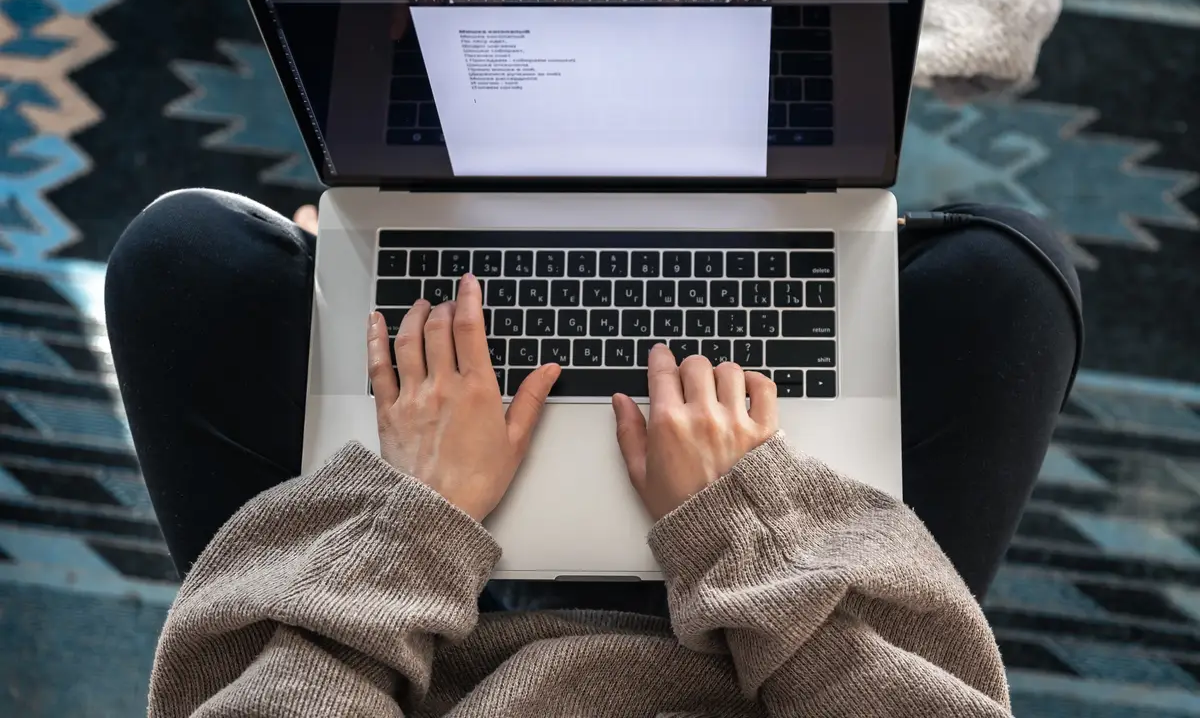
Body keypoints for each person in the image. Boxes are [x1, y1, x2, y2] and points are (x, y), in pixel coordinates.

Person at [106, 189, 1080, 716]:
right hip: (767, 653)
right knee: (1008, 272)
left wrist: (414, 511)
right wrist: (745, 528)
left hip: (421, 646)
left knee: (187, 259)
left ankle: (393, 221)